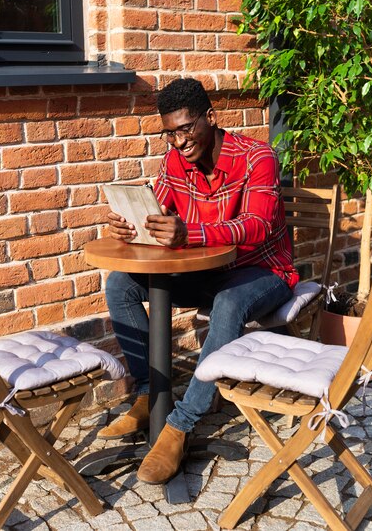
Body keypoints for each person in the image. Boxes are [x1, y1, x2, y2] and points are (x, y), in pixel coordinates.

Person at [98, 77, 299, 484]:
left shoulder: (256, 157)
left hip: (265, 271)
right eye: (169, 133)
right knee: (121, 283)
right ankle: (147, 394)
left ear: (210, 117)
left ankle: (179, 427)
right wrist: (134, 224)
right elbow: (160, 210)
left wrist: (190, 233)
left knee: (227, 303)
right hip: (207, 271)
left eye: (186, 128)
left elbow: (258, 225)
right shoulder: (175, 162)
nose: (179, 142)